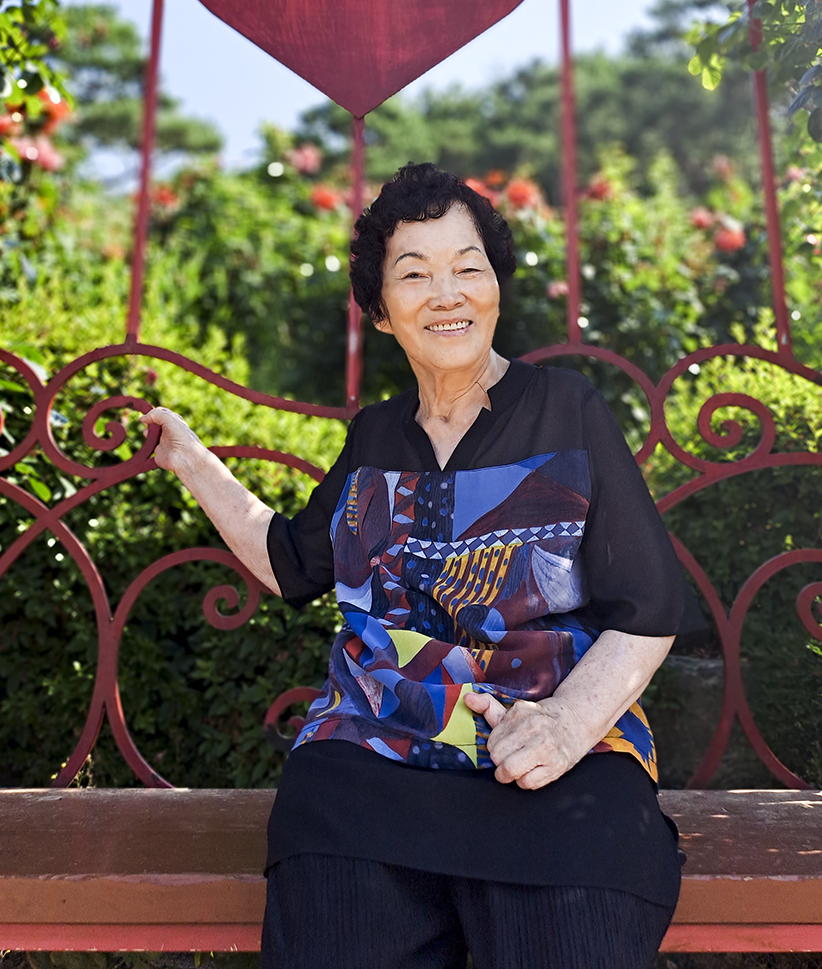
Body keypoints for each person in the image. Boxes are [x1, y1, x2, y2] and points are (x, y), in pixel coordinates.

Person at [140, 161, 689, 969]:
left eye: (468, 267)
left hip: (546, 745)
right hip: (377, 747)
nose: (447, 293)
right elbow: (292, 561)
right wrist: (190, 462)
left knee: (571, 921)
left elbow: (651, 605)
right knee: (334, 917)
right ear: (381, 312)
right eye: (415, 274)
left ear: (495, 287)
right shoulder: (375, 438)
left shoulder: (567, 410)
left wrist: (566, 726)